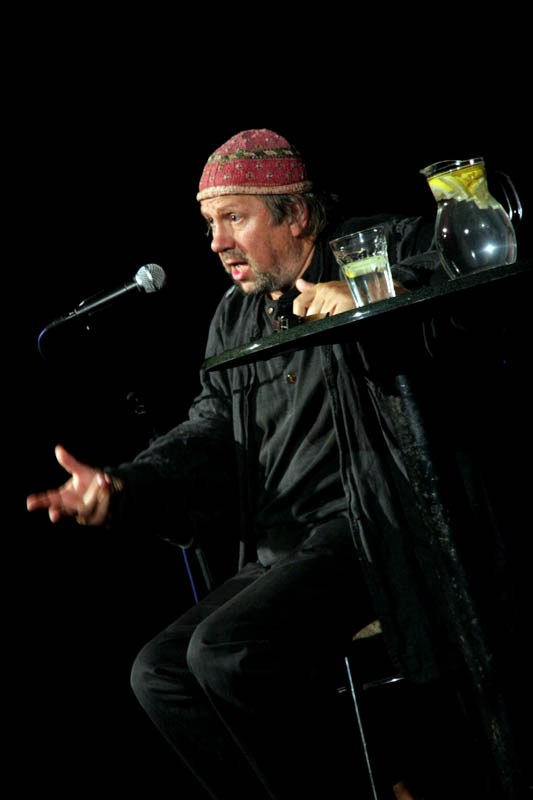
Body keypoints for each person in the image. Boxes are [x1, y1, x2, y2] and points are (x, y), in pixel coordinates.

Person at [27, 130, 439, 799]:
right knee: (159, 673)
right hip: (285, 545)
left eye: (233, 218)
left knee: (225, 650)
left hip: (372, 530)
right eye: (209, 224)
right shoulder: (235, 316)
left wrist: (373, 293)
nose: (216, 242)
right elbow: (210, 430)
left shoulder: (367, 250)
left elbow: (461, 260)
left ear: (295, 214)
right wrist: (124, 484)